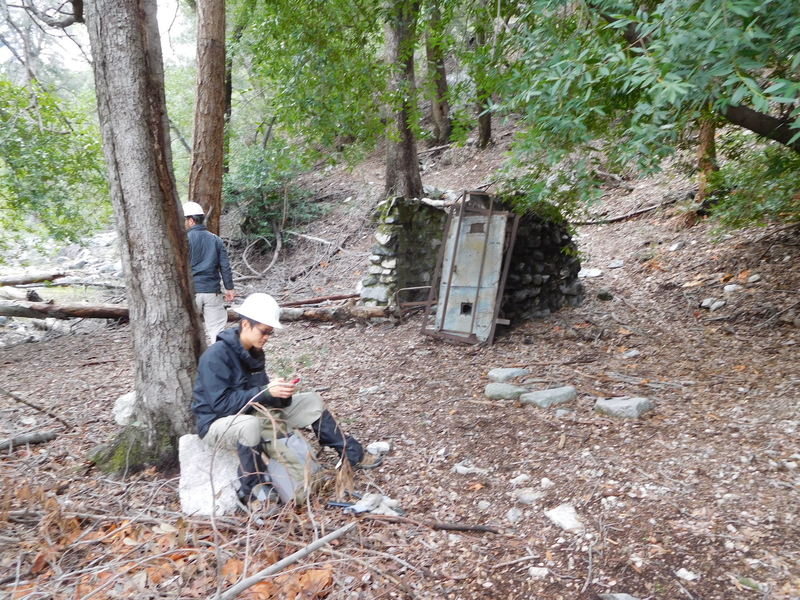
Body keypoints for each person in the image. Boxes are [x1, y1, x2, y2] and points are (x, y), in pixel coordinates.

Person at [191, 292, 382, 504]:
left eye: (270, 333)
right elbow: (220, 405)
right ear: (245, 324)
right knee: (250, 426)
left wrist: (281, 394)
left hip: (255, 411)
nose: (266, 337)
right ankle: (253, 492)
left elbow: (261, 396)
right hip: (216, 423)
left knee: (311, 401)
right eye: (264, 331)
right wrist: (265, 392)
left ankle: (351, 454)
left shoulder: (254, 352)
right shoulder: (216, 356)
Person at [183, 201, 235, 344]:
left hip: (191, 293)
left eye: (185, 220)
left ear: (191, 220)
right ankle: (218, 363)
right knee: (217, 332)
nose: (184, 224)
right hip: (212, 292)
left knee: (187, 332)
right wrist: (229, 288)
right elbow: (225, 266)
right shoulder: (215, 239)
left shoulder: (183, 241)